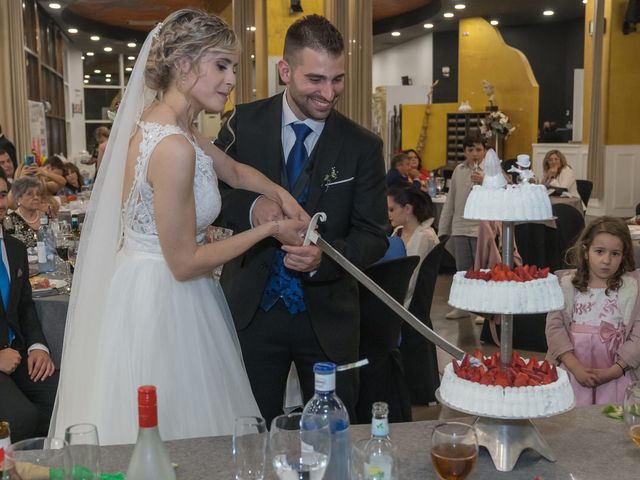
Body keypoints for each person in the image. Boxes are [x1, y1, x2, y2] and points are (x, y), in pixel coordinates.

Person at [50, 9, 309, 445]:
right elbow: (185, 262)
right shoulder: (173, 147)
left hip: (140, 283)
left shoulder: (167, 123)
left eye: (233, 67)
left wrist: (285, 198)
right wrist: (269, 230)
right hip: (165, 300)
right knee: (178, 429)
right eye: (221, 65)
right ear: (185, 64)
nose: (231, 80)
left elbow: (234, 170)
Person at [213, 14, 388, 425]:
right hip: (252, 312)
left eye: (337, 79)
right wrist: (253, 209)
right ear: (285, 71)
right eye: (316, 80)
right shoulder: (242, 123)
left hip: (329, 318)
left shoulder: (362, 146)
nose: (329, 93)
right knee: (251, 429)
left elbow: (374, 236)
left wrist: (324, 258)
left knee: (332, 435)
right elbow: (213, 194)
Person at [546, 216, 639, 405]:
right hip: (573, 371)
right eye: (599, 251)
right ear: (586, 251)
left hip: (615, 374)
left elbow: (638, 335)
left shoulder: (632, 289)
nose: (606, 260)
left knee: (611, 424)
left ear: (623, 255)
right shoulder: (566, 285)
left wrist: (615, 370)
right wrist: (575, 367)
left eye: (615, 254)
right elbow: (554, 329)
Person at [0, 169, 58, 442]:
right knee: (23, 420)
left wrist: (38, 347)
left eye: (1, 195)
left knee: (62, 398)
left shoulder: (14, 248)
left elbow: (24, 308)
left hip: (19, 354)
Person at [438, 134, 485, 319]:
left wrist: (485, 181)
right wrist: (443, 229)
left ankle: (483, 309)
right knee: (462, 270)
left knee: (481, 269)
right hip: (459, 225)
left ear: (484, 151)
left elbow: (501, 192)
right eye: (470, 150)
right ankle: (463, 306)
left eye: (479, 149)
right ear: (465, 151)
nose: (475, 153)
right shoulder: (458, 169)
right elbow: (450, 200)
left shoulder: (490, 170)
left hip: (480, 227)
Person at [387, 185, 439, 307]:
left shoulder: (425, 237)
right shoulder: (398, 231)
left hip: (408, 303)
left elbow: (412, 280)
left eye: (392, 209)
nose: (388, 214)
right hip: (395, 292)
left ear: (408, 209)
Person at [4, 177, 51, 252]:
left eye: (38, 194)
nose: (36, 197)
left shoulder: (46, 217)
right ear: (18, 198)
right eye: (30, 194)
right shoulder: (9, 221)